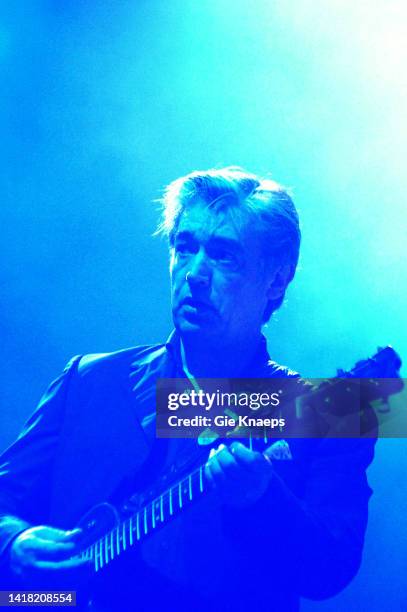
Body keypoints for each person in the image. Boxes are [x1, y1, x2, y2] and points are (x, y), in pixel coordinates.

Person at [0, 167, 375, 611]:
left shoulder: (334, 411)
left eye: (224, 255)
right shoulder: (88, 380)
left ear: (276, 280)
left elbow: (330, 569)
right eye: (185, 246)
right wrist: (13, 542)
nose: (196, 273)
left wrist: (262, 499)